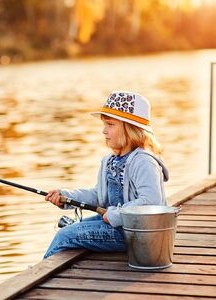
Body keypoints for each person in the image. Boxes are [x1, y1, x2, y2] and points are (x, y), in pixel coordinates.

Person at [43, 91, 169, 259]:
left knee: (66, 235)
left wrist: (115, 215)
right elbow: (98, 195)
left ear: (130, 129)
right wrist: (66, 196)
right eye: (104, 125)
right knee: (67, 231)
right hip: (119, 228)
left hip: (140, 235)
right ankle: (41, 273)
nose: (104, 131)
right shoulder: (109, 160)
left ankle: (34, 277)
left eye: (110, 124)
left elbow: (151, 202)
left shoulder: (143, 162)